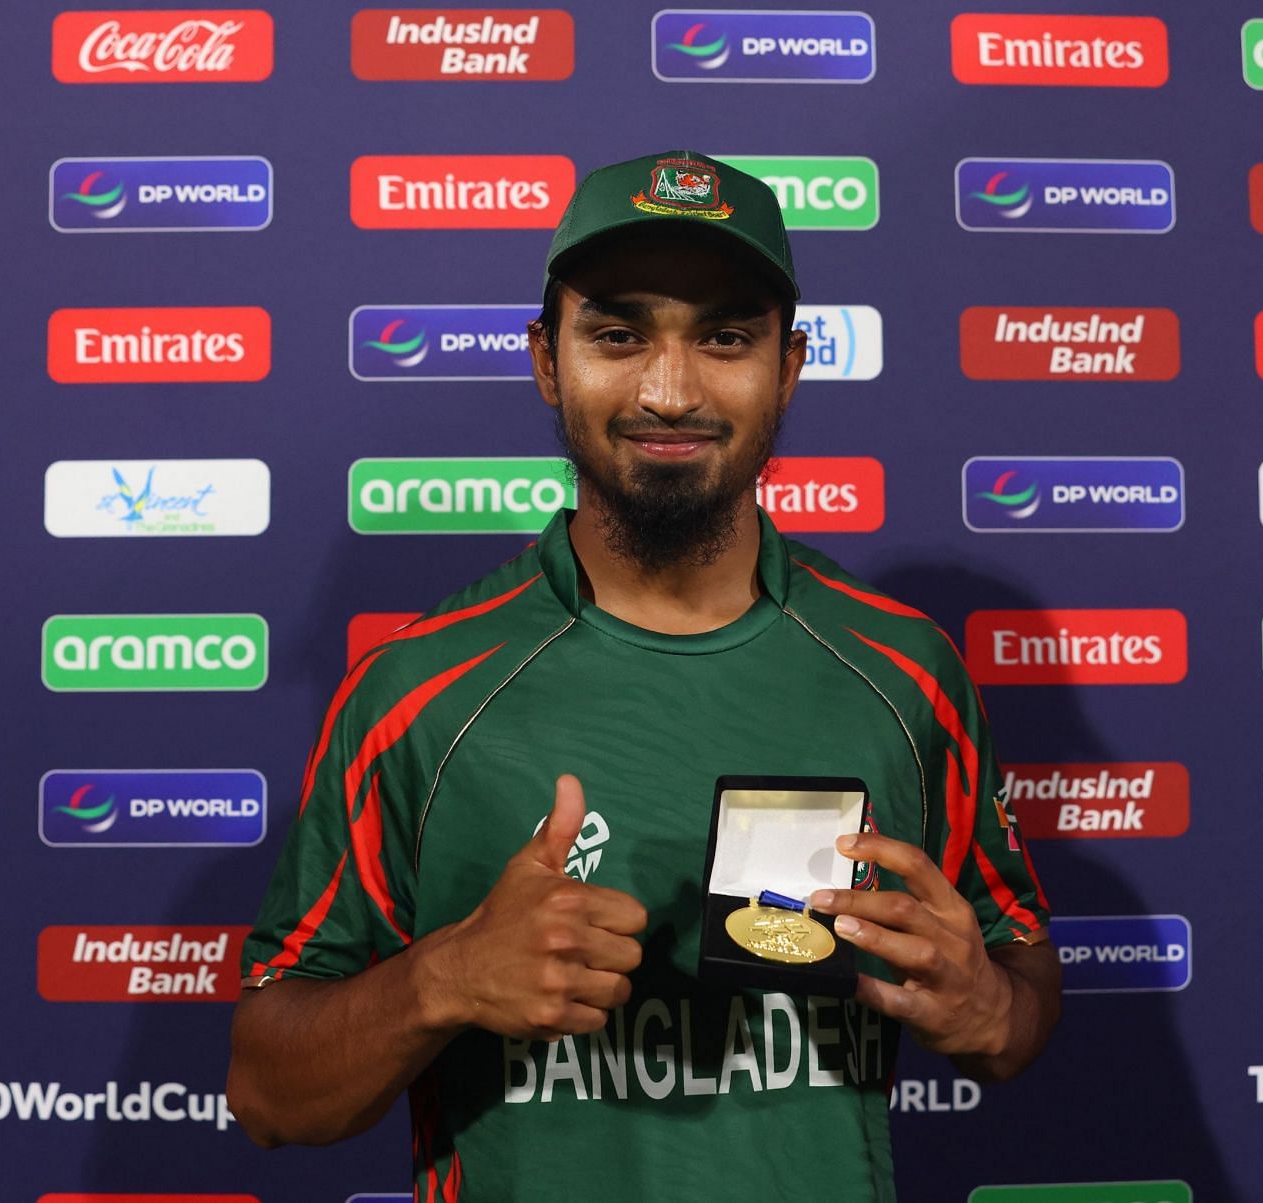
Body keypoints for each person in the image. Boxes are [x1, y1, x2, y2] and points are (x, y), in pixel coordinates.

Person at [228, 150, 1059, 1201]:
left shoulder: (907, 673)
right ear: (546, 361)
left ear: (790, 367)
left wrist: (992, 1007)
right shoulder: (415, 693)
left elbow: (1019, 986)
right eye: (618, 336)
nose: (670, 392)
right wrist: (441, 980)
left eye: (725, 338)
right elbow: (267, 1093)